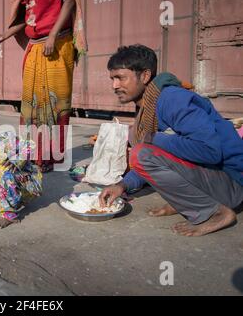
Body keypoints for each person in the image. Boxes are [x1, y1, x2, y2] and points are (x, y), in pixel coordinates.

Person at [99, 44, 243, 237]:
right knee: (140, 144)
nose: (114, 86)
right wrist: (122, 185)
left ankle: (216, 213)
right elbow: (162, 157)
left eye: (120, 78)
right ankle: (187, 202)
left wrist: (155, 139)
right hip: (215, 180)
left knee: (141, 150)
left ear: (145, 76)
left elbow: (210, 151)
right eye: (112, 79)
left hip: (233, 183)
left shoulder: (173, 99)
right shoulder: (149, 106)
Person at [0, 0, 87, 172]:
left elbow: (70, 1)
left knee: (56, 105)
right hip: (35, 48)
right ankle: (31, 155)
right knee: (30, 106)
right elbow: (27, 20)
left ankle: (52, 157)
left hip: (57, 45)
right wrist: (1, 37)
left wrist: (52, 34)